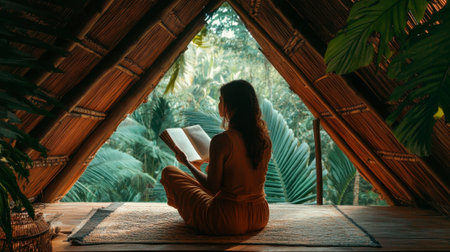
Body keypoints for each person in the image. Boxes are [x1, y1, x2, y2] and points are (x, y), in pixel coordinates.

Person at [160, 80, 272, 235]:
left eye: (221, 100)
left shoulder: (223, 140)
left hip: (228, 218)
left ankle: (190, 214)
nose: (219, 104)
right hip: (260, 215)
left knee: (170, 172)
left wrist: (186, 162)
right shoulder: (264, 140)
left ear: (231, 105)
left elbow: (212, 187)